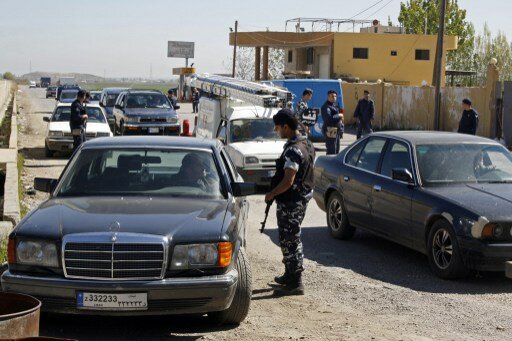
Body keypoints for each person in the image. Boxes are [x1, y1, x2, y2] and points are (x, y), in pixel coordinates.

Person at [265, 108, 315, 296]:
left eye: (278, 128)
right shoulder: (306, 143)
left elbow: (288, 181)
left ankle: (296, 282)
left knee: (291, 239)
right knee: (288, 238)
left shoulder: (294, 150)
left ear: (286, 126)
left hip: (292, 202)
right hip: (299, 199)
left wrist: (271, 194)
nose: (277, 132)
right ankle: (289, 274)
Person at [321, 90, 344, 155]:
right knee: (332, 150)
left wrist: (341, 129)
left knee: (336, 150)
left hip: (336, 130)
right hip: (330, 129)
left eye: (335, 96)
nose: (334, 98)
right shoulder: (326, 107)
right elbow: (328, 119)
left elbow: (340, 120)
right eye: (332, 96)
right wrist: (338, 115)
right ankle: (328, 164)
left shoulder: (335, 105)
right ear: (328, 97)